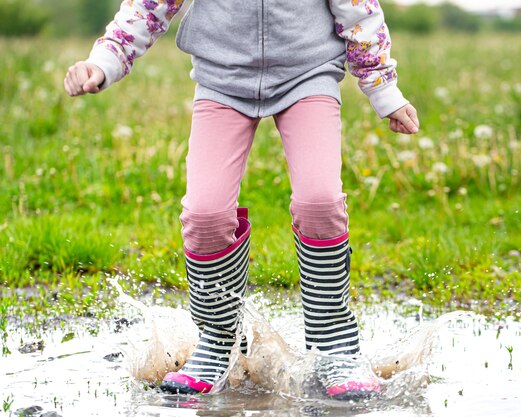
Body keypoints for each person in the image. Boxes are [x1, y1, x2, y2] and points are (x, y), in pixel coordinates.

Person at [64, 0, 419, 401]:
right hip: (222, 81)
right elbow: (148, 7)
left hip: (308, 75)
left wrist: (383, 90)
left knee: (319, 203)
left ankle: (334, 345)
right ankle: (217, 343)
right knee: (205, 216)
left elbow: (359, 10)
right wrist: (105, 60)